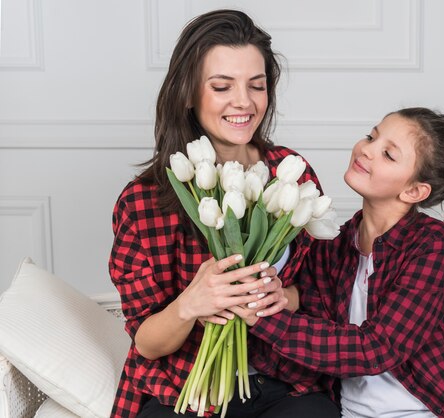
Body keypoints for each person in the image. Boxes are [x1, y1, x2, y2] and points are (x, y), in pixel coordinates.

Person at [109, 9, 339, 418]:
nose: (244, 102)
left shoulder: (290, 173)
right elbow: (146, 343)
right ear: (187, 93)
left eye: (257, 85)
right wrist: (190, 304)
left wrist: (280, 298)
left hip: (283, 382)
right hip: (184, 387)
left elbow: (324, 292)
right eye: (221, 86)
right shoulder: (142, 202)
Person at [233, 107, 444, 417]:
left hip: (424, 411)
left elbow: (378, 348)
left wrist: (264, 321)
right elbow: (314, 325)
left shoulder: (433, 246)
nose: (367, 149)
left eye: (388, 154)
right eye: (371, 136)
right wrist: (276, 298)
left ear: (414, 190)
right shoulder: (334, 245)